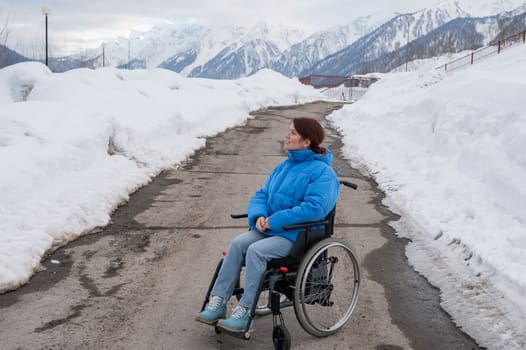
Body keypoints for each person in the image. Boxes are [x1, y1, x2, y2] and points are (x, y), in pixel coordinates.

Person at [196, 117, 340, 333]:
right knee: (237, 244)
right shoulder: (284, 166)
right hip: (270, 229)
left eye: (292, 132)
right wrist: (259, 216)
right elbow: (262, 194)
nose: (286, 135)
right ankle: (218, 303)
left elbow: (314, 209)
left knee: (255, 251)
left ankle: (245, 312)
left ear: (306, 141)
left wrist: (274, 220)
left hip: (296, 236)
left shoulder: (323, 173)